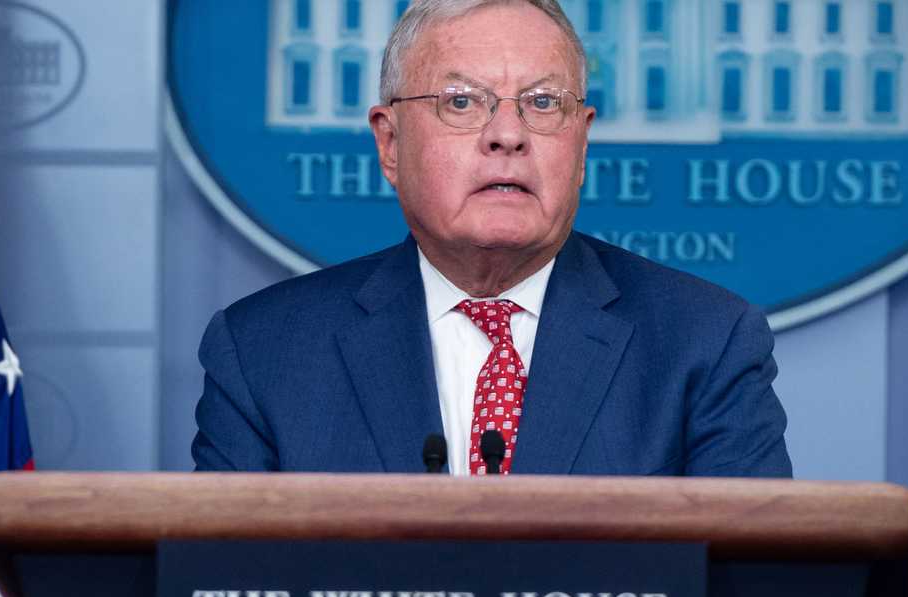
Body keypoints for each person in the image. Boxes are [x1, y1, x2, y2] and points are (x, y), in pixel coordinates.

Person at [192, 0, 791, 477]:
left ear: (581, 142)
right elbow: (223, 581)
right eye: (461, 102)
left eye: (542, 103)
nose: (508, 134)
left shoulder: (704, 343)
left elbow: (751, 581)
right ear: (390, 143)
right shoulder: (263, 353)